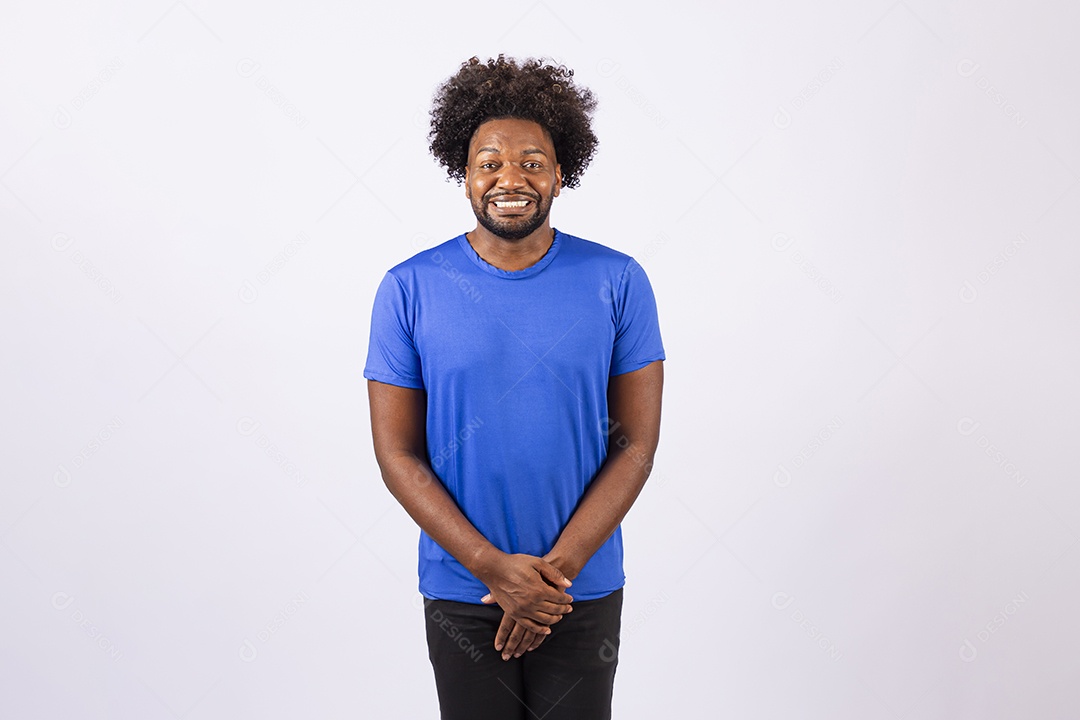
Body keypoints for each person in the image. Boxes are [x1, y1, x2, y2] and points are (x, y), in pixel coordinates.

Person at [363, 54, 665, 720]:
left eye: (532, 162)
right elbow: (397, 455)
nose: (511, 178)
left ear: (561, 172)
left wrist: (550, 579)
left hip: (579, 590)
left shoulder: (617, 281)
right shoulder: (409, 288)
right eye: (490, 162)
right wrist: (495, 570)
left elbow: (637, 446)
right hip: (463, 594)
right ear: (464, 175)